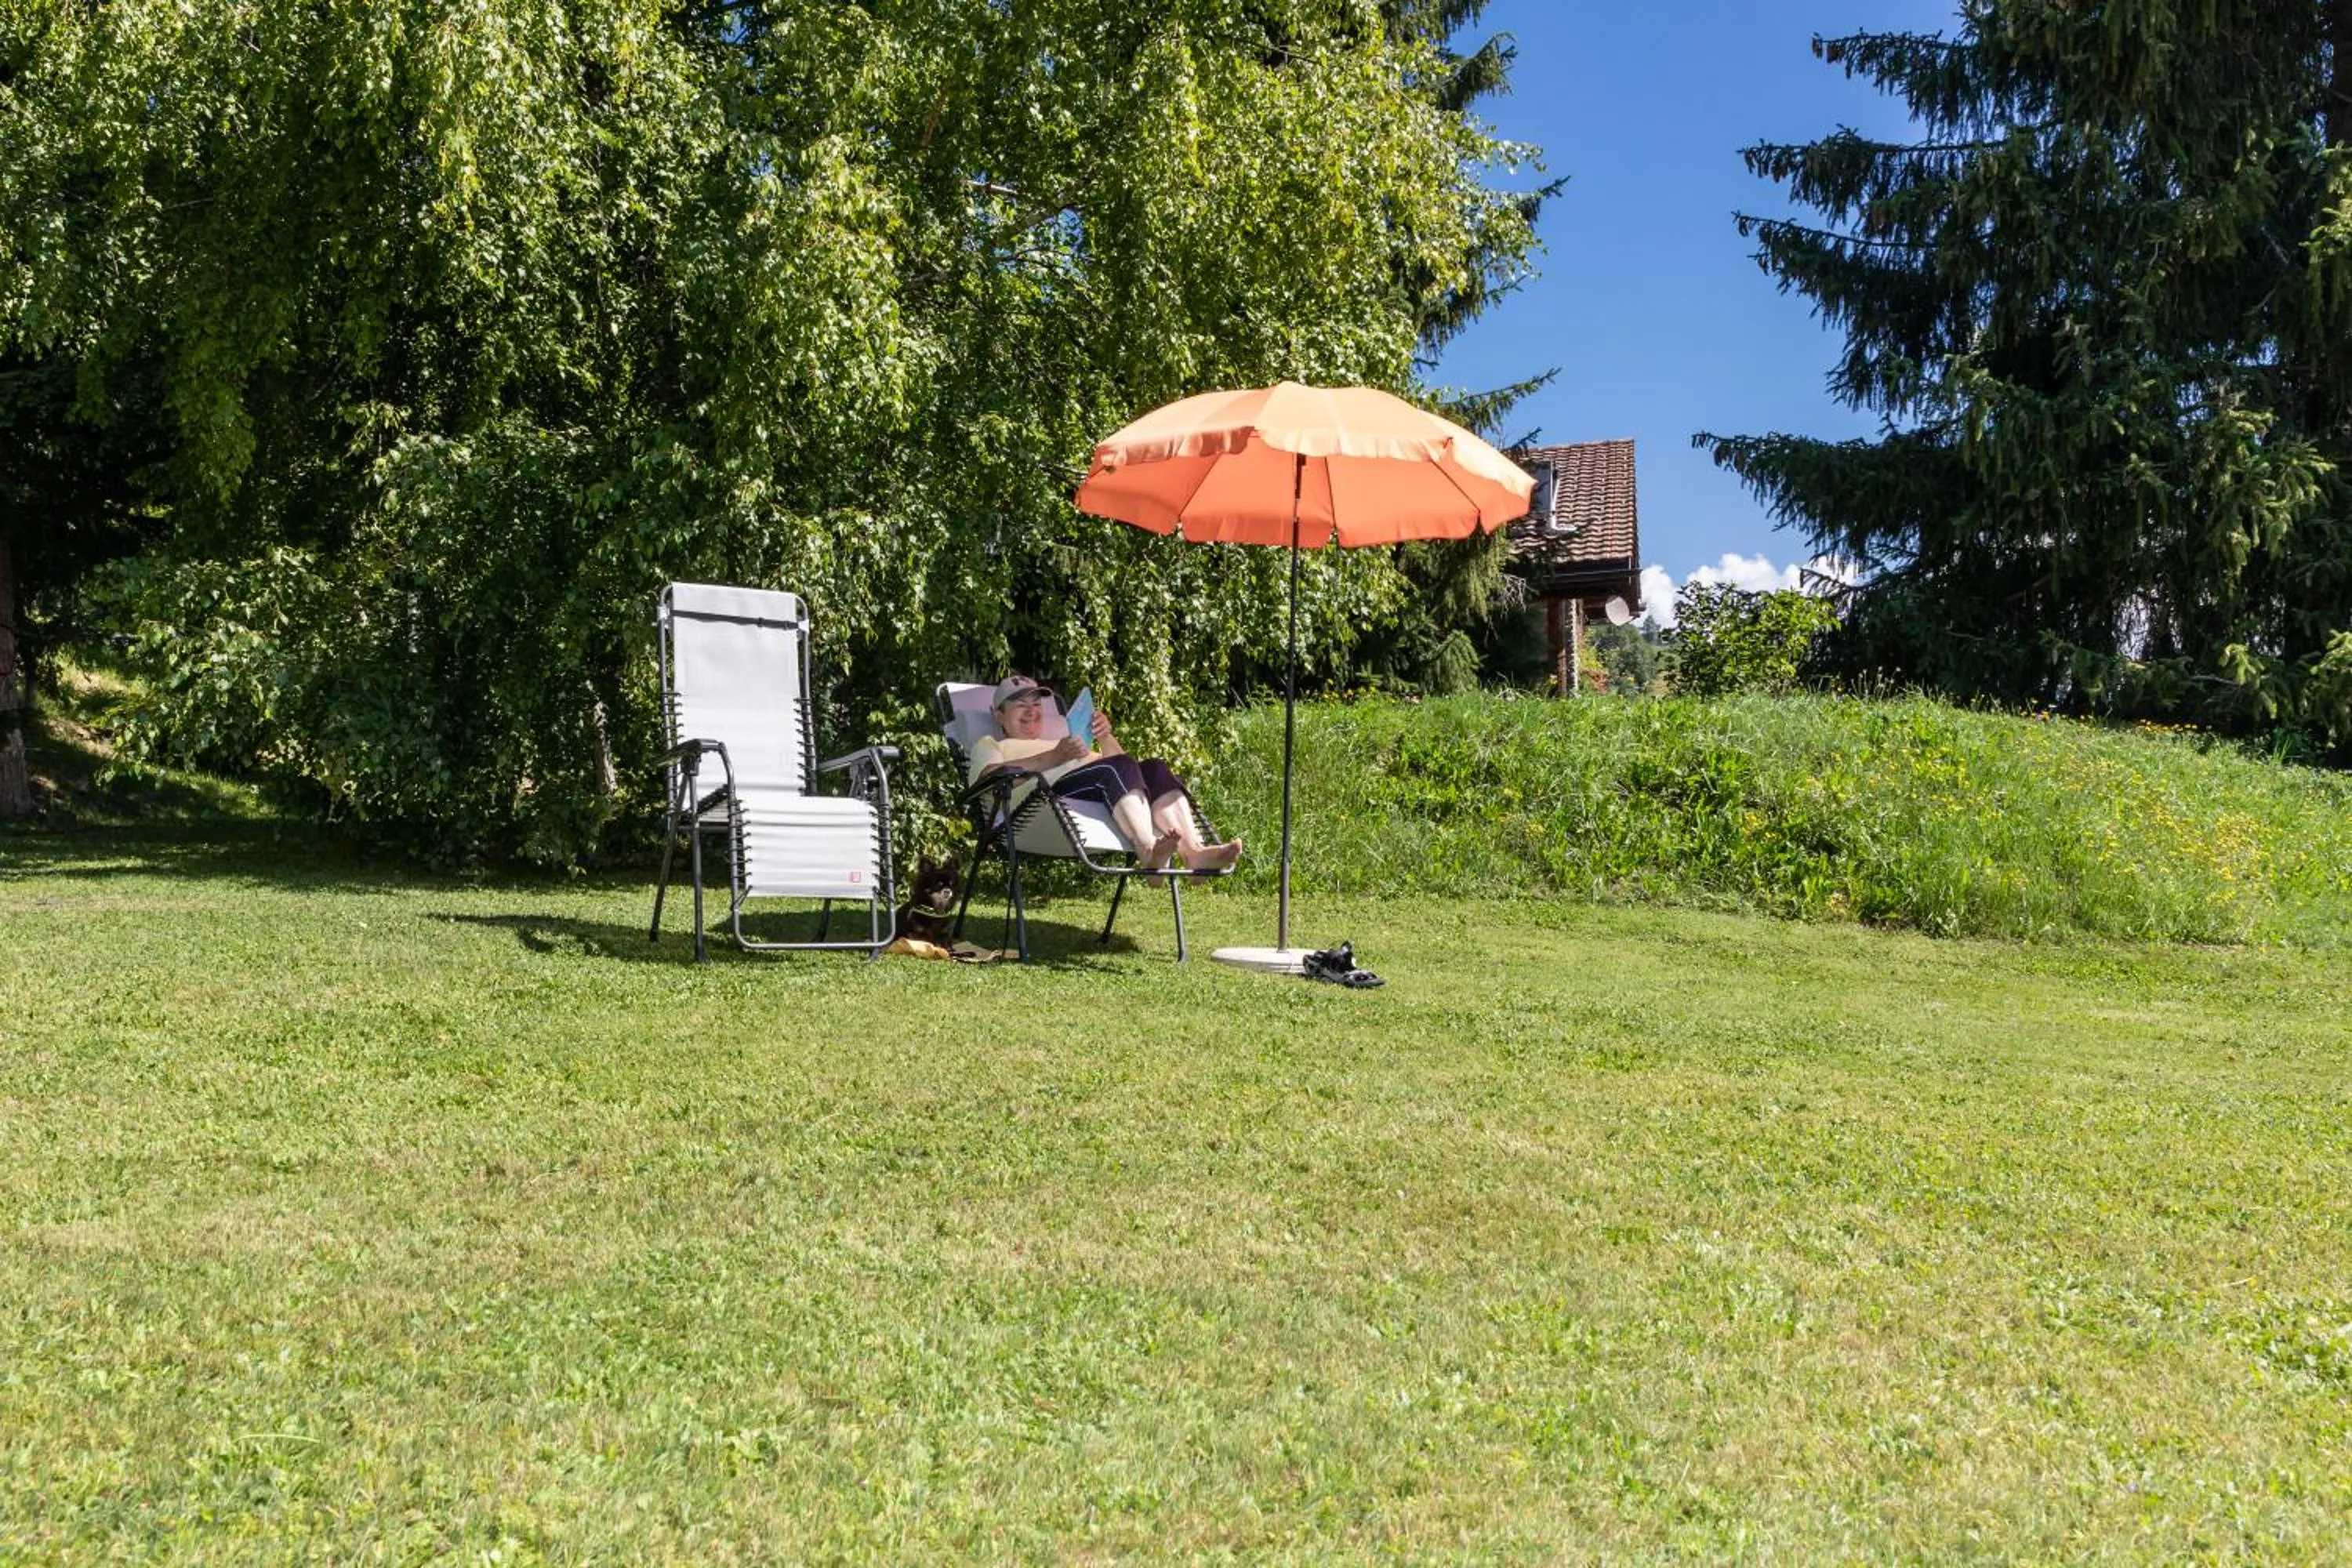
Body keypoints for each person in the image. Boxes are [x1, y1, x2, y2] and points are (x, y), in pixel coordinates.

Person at [967, 675, 1243, 874]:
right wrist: (1054, 758)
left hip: (1098, 797)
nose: (1031, 711)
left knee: (1155, 768)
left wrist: (1105, 736)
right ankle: (1148, 850)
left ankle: (1193, 852)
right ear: (999, 716)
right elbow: (990, 778)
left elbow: (1127, 768)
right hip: (1041, 810)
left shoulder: (1066, 738)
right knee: (1115, 769)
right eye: (1019, 705)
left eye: (1036, 703)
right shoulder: (991, 745)